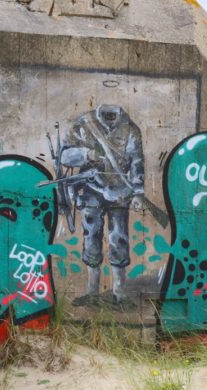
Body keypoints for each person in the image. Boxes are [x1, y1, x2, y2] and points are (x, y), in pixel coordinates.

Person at [60, 104, 145, 304]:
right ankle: (92, 293)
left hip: (120, 192)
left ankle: (119, 293)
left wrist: (139, 192)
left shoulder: (130, 129)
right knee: (91, 237)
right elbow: (65, 157)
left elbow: (137, 162)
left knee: (119, 239)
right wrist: (85, 155)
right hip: (90, 189)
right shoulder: (83, 124)